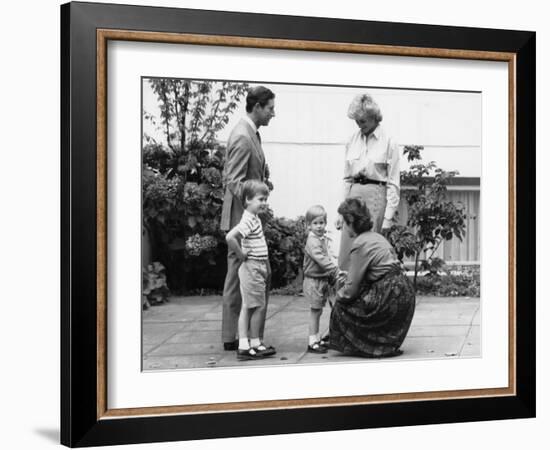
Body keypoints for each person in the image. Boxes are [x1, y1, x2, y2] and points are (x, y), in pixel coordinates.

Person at [220, 86, 276, 350]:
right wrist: (256, 198)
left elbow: (249, 175)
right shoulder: (243, 136)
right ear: (257, 107)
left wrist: (263, 185)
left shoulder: (252, 133)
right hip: (241, 218)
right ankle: (238, 338)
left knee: (238, 277)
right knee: (239, 277)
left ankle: (237, 336)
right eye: (270, 108)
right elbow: (234, 181)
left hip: (245, 215)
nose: (273, 114)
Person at [329, 197, 415, 358]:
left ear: (350, 221)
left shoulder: (359, 243)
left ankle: (363, 346)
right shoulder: (376, 237)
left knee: (342, 306)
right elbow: (378, 268)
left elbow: (350, 290)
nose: (341, 226)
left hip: (390, 294)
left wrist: (336, 297)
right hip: (405, 291)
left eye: (343, 221)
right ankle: (384, 345)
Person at [337, 92, 401, 271]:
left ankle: (368, 296)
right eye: (356, 121)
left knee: (368, 251)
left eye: (363, 121)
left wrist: (388, 217)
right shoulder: (352, 140)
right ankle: (345, 294)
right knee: (347, 252)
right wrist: (341, 212)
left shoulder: (389, 142)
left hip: (375, 197)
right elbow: (346, 178)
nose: (359, 125)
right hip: (353, 197)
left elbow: (393, 182)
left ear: (374, 118)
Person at [225, 180, 276, 360]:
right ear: (247, 199)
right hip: (252, 267)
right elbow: (230, 237)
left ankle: (247, 344)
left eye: (265, 199)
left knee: (249, 306)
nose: (264, 203)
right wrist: (241, 254)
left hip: (256, 266)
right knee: (257, 306)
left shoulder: (253, 218)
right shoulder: (248, 219)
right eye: (260, 199)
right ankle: (251, 343)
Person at [302, 205, 346, 354]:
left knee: (318, 311)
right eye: (315, 223)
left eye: (321, 222)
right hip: (313, 281)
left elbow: (328, 256)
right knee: (315, 311)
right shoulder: (312, 242)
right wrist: (335, 270)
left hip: (321, 279)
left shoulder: (321, 239)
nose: (319, 226)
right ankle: (312, 341)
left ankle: (317, 337)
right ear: (308, 225)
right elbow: (321, 259)